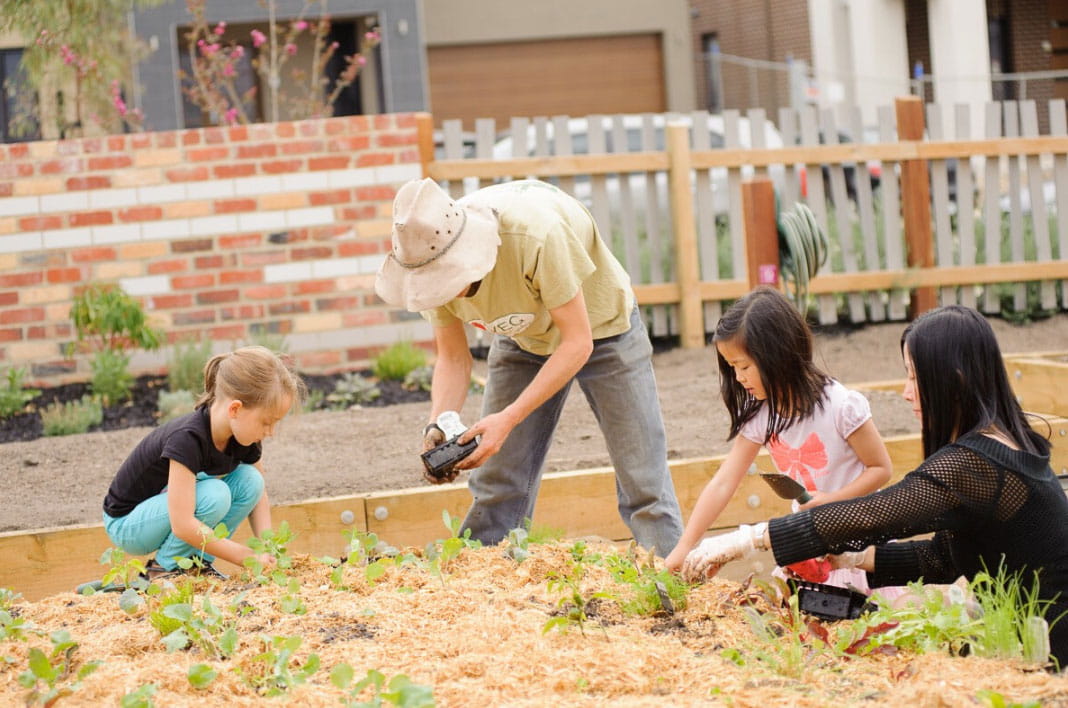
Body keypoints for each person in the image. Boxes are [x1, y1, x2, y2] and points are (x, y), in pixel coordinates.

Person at [680, 305, 1068, 669]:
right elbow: (944, 559)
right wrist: (853, 559)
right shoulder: (998, 444)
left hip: (1056, 645)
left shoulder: (973, 462)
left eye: (915, 376)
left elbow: (875, 514)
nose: (905, 391)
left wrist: (747, 540)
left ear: (955, 379)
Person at [374, 177, 684, 556]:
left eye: (443, 278)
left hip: (603, 329)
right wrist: (439, 420)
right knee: (497, 481)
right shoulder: (425, 260)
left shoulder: (536, 236)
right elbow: (454, 359)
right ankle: (487, 590)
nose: (438, 288)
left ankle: (674, 584)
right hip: (521, 335)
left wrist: (509, 418)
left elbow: (577, 343)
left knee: (643, 480)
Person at [664, 286, 893, 593]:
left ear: (778, 356)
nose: (739, 378)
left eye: (744, 367)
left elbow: (880, 469)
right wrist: (685, 546)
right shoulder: (763, 413)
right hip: (809, 543)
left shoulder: (841, 406)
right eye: (732, 368)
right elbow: (724, 482)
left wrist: (830, 501)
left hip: (858, 545)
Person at [102, 345, 305, 579]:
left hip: (164, 512)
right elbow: (182, 524)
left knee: (252, 480)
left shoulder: (245, 437)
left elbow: (259, 496)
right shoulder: (187, 439)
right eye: (267, 422)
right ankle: (161, 571)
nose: (271, 432)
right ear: (235, 409)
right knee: (215, 494)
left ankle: (198, 564)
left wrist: (270, 551)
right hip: (128, 524)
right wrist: (245, 557)